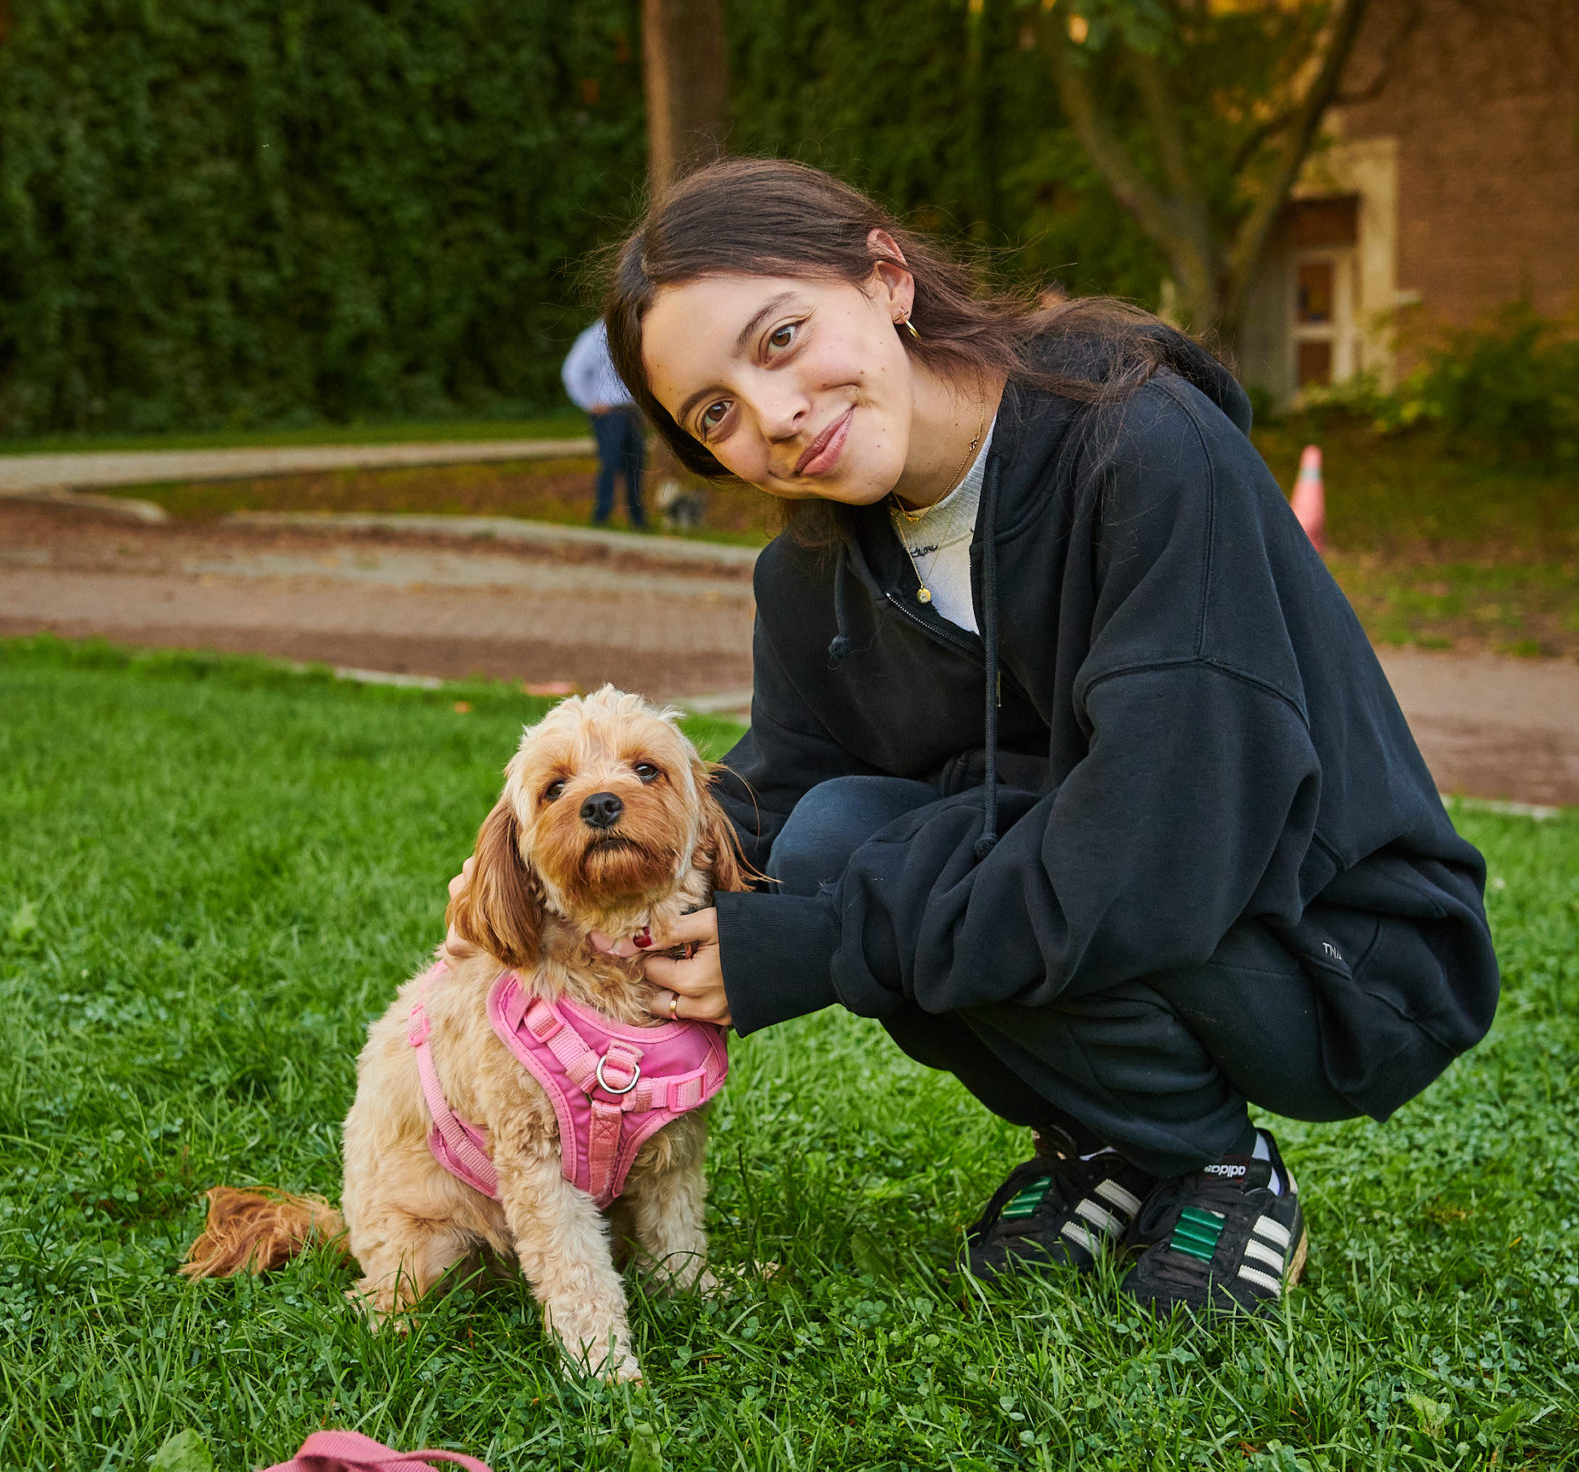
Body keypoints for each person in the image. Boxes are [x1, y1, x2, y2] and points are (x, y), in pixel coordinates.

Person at [592, 159, 1497, 1316]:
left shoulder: (1145, 453)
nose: (773, 418)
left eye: (779, 338)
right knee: (826, 840)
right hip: (1139, 903)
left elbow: (1159, 853)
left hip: (1328, 946)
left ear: (885, 277)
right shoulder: (812, 570)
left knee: (864, 883)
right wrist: (590, 896)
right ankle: (1107, 1143)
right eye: (713, 412)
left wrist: (822, 944)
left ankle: (1220, 1162)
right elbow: (777, 800)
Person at [563, 318, 648, 528]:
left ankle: (637, 519)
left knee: (636, 463)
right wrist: (590, 402)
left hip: (631, 410)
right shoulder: (594, 338)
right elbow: (572, 371)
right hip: (609, 413)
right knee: (610, 462)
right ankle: (601, 515)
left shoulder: (633, 334)